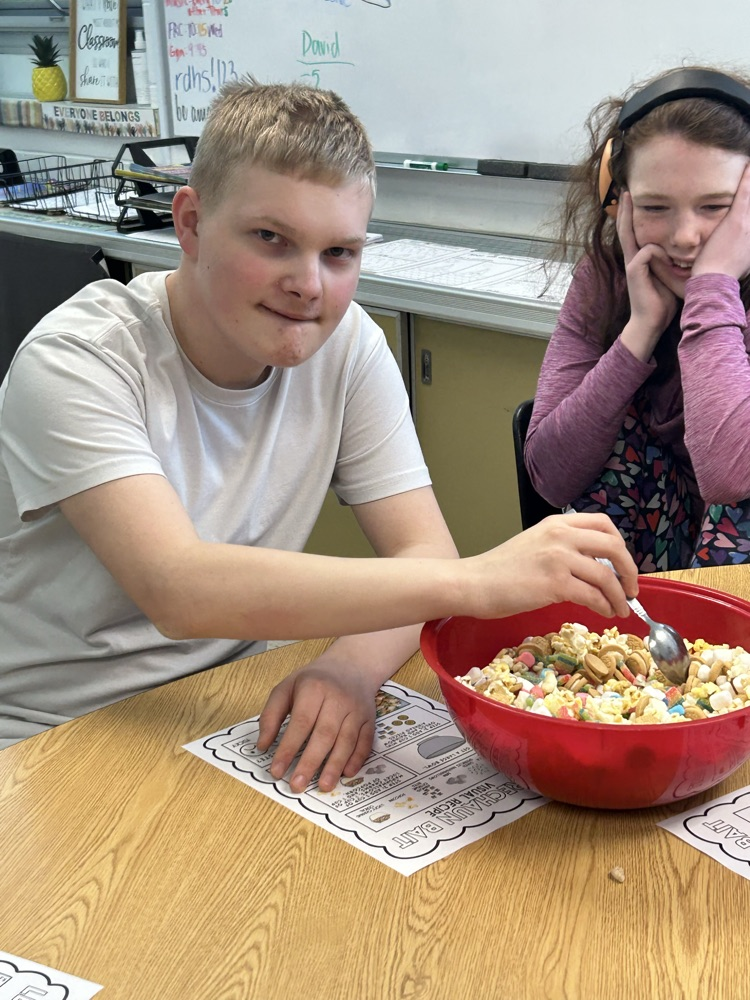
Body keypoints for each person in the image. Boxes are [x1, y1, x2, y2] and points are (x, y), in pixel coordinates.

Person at [0, 79, 638, 788]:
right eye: (271, 239)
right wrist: (474, 582)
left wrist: (350, 666)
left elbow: (419, 552)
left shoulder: (348, 347)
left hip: (229, 717)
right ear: (190, 223)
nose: (309, 284)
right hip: (49, 741)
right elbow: (179, 587)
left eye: (339, 253)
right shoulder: (79, 359)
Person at [526, 65, 750, 572]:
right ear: (619, 203)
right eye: (655, 207)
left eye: (716, 205)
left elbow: (731, 474)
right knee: (612, 423)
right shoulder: (607, 278)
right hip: (645, 591)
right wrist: (640, 331)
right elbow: (550, 476)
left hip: (738, 590)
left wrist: (711, 291)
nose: (686, 237)